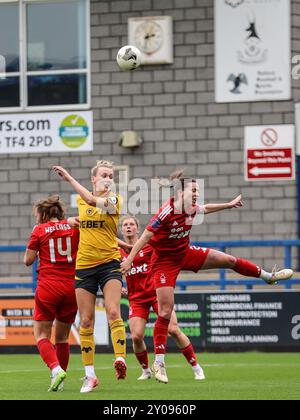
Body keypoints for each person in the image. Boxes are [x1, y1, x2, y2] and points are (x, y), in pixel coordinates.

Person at [121, 170, 294, 384]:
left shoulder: (191, 209)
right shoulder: (166, 211)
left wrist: (228, 205)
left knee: (229, 260)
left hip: (185, 253)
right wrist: (129, 260)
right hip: (164, 262)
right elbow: (146, 235)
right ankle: (159, 363)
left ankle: (268, 276)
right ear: (180, 192)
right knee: (165, 311)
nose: (196, 194)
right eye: (193, 190)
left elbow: (206, 208)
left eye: (198, 190)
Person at [52, 161, 127, 393]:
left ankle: (121, 359)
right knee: (85, 321)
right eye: (104, 175)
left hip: (109, 264)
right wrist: (69, 222)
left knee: (113, 311)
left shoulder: (114, 200)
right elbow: (81, 221)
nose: (108, 178)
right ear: (93, 179)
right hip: (84, 266)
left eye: (111, 175)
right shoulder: (82, 204)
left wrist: (69, 179)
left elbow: (93, 201)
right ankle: (90, 376)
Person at [120, 215, 205, 381]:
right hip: (136, 299)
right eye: (125, 225)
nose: (128, 227)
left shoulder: (149, 244)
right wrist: (118, 286)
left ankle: (196, 368)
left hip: (156, 294)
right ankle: (145, 370)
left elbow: (166, 257)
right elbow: (111, 273)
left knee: (173, 329)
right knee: (136, 336)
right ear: (121, 230)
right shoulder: (117, 251)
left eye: (132, 224)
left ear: (138, 228)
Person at [24, 195, 79, 392]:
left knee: (41, 335)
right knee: (62, 338)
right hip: (72, 287)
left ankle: (56, 370)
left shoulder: (39, 230)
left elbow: (28, 260)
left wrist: (36, 243)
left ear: (43, 213)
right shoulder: (74, 227)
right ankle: (60, 381)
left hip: (49, 285)